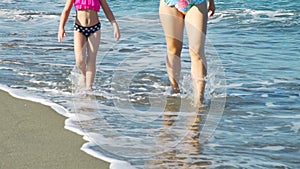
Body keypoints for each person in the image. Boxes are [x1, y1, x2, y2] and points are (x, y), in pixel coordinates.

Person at [159, 0, 215, 106]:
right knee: (173, 49)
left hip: (196, 2)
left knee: (197, 51)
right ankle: (175, 92)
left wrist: (211, 2)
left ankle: (199, 101)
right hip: (169, 3)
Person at [58, 0, 120, 90]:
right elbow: (66, 10)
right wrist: (61, 28)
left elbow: (107, 10)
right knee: (80, 60)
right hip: (79, 28)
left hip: (94, 29)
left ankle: (89, 89)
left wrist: (115, 26)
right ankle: (84, 75)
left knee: (91, 59)